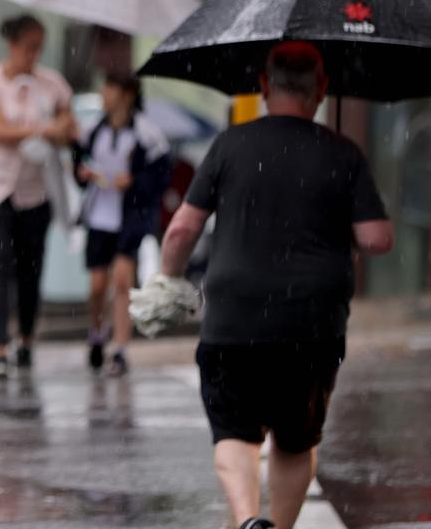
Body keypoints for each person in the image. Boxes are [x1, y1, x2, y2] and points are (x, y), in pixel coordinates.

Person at [157, 41, 393, 529]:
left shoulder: (229, 145)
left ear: (264, 86)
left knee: (234, 432)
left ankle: (247, 521)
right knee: (295, 438)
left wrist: (169, 280)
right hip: (312, 321)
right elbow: (377, 238)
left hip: (233, 318)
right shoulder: (343, 153)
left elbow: (181, 229)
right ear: (322, 90)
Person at [0, 13, 76, 379]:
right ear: (12, 45)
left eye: (39, 48)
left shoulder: (51, 84)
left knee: (30, 267)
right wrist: (43, 128)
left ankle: (25, 338)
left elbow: (70, 127)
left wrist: (56, 129)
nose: (33, 55)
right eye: (28, 47)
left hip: (32, 189)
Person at [74, 73, 171, 376]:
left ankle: (120, 349)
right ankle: (96, 331)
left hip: (129, 217)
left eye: (110, 87)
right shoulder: (94, 131)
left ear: (127, 94)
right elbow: (81, 164)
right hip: (99, 215)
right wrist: (84, 174)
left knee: (121, 281)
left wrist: (134, 182)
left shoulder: (147, 134)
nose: (104, 93)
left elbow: (159, 178)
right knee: (97, 285)